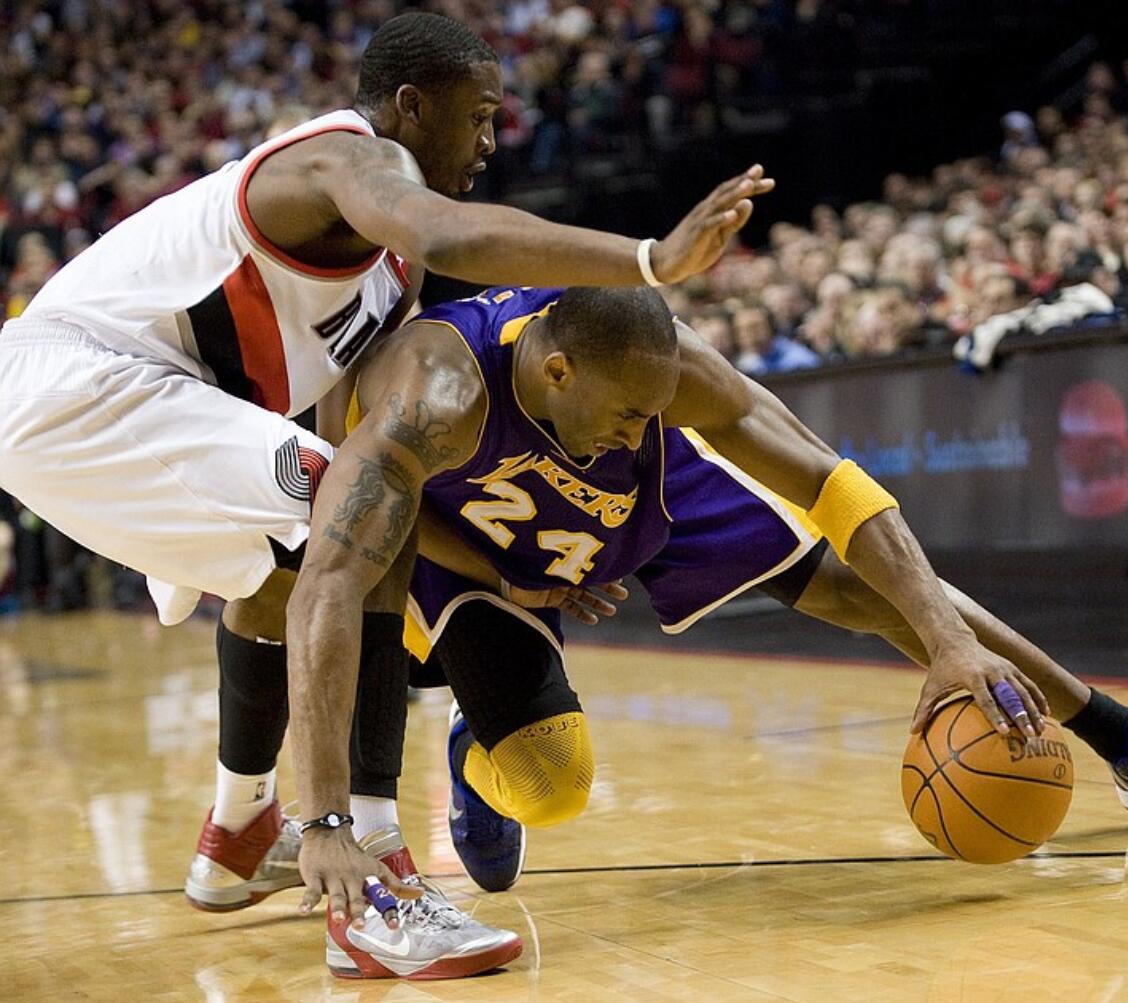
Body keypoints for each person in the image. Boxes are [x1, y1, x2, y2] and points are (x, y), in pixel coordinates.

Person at [0, 12, 773, 981]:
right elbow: (445, 230)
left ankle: (239, 831)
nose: (492, 142)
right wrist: (647, 261)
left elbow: (371, 484)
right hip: (75, 383)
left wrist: (507, 565)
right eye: (480, 117)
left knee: (352, 507)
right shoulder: (345, 163)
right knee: (341, 512)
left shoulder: (388, 274)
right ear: (411, 104)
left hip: (167, 406)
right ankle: (358, 860)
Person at [333, 284, 1128, 896]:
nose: (647, 425)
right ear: (560, 371)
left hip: (631, 493)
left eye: (659, 408)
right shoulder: (438, 379)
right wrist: (519, 581)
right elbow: (379, 513)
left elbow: (837, 487)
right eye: (632, 412)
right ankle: (481, 753)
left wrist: (948, 642)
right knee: (553, 782)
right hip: (469, 538)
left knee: (872, 592)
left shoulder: (660, 389)